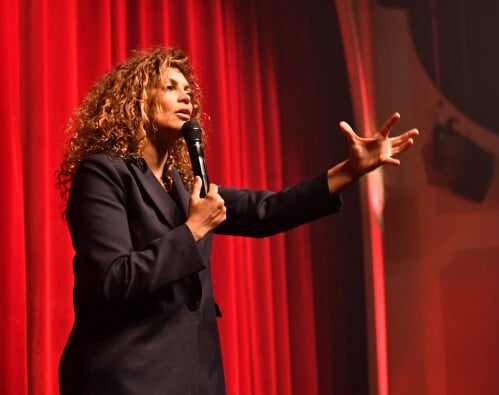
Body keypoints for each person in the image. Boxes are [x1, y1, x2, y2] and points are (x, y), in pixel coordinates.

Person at [56, 47, 418, 394]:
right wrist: (193, 230)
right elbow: (111, 280)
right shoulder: (103, 172)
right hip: (127, 376)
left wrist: (351, 170)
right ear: (134, 101)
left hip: (194, 377)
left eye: (188, 91)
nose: (187, 98)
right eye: (169, 87)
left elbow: (264, 211)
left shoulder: (184, 186)